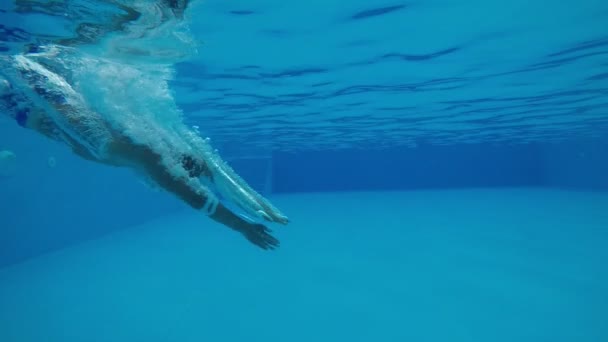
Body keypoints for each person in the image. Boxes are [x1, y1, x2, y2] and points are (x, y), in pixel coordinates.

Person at [0, 51, 289, 250]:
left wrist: (243, 225)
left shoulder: (136, 153)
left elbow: (189, 192)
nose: (182, 162)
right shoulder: (145, 139)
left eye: (182, 169)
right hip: (43, 108)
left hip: (37, 106)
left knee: (18, 64)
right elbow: (203, 176)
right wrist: (251, 212)